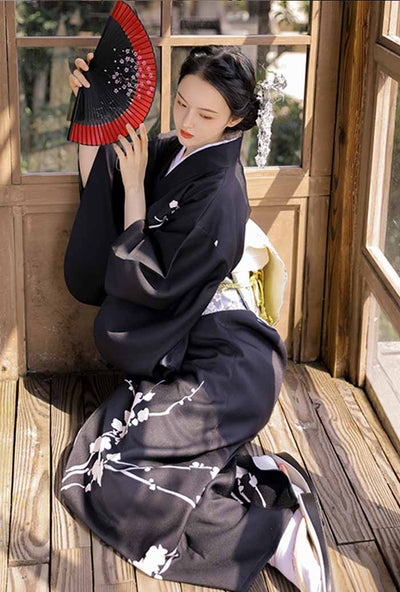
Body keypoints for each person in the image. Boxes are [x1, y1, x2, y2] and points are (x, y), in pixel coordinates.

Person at [61, 45, 327, 592]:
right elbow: (104, 184)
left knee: (112, 478)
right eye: (180, 103)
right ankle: (266, 488)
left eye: (205, 115)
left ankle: (268, 536)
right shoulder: (183, 150)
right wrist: (93, 109)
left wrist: (136, 186)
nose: (185, 122)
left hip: (232, 365)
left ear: (235, 119)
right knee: (102, 464)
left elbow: (150, 282)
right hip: (191, 347)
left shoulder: (219, 192)